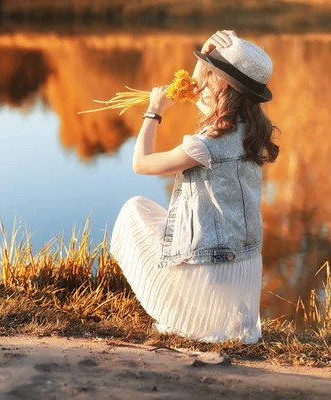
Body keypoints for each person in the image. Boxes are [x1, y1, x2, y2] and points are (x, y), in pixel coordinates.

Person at [110, 30, 280, 343]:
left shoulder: (206, 145)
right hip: (243, 272)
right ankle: (209, 314)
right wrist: (205, 53)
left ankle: (193, 317)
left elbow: (141, 163)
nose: (199, 83)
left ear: (223, 84)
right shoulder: (251, 132)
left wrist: (154, 111)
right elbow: (198, 93)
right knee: (156, 216)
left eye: (208, 73)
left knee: (134, 210)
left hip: (212, 273)